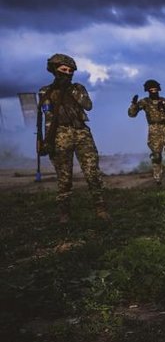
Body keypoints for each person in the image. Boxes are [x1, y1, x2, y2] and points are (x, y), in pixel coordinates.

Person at [37, 53, 109, 224]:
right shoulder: (45, 92)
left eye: (70, 71)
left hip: (81, 132)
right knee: (64, 177)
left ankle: (100, 209)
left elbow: (88, 106)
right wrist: (47, 141)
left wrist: (72, 90)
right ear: (55, 70)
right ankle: (64, 213)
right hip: (60, 135)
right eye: (64, 70)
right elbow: (47, 118)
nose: (67, 73)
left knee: (92, 172)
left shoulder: (77, 88)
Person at [128, 79, 165, 185]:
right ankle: (158, 179)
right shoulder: (145, 102)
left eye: (155, 89)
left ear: (158, 89)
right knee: (156, 156)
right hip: (154, 130)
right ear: (147, 90)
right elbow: (132, 114)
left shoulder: (163, 100)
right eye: (151, 89)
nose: (154, 91)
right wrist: (133, 104)